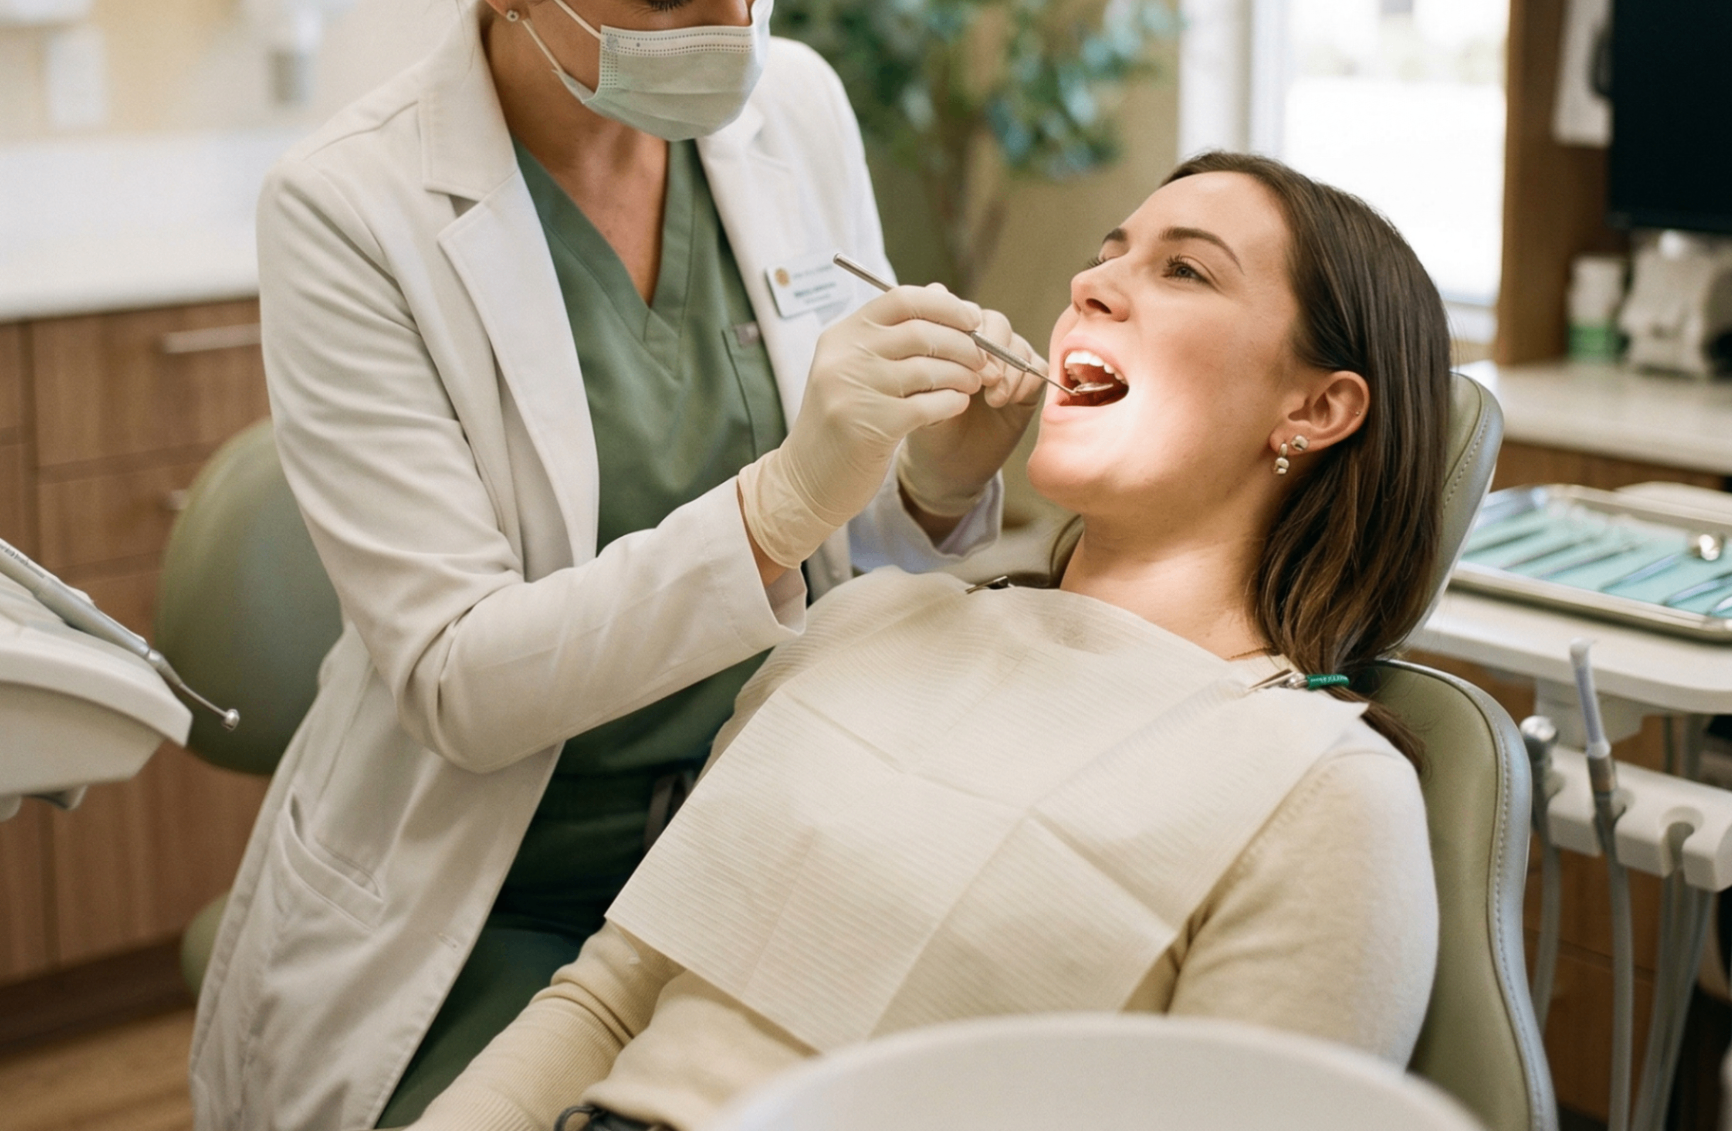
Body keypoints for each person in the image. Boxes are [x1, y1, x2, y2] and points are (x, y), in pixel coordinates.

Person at [187, 0, 1045, 1131]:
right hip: (492, 887)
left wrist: (938, 481)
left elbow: (864, 575)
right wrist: (778, 506)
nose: (738, 27)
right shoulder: (349, 211)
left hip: (769, 842)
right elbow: (460, 684)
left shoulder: (801, 109)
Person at [408, 152, 1453, 1131]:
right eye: (1104, 255)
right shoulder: (871, 623)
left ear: (1316, 407)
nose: (1091, 287)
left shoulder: (1322, 795)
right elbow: (606, 999)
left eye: (1183, 269)